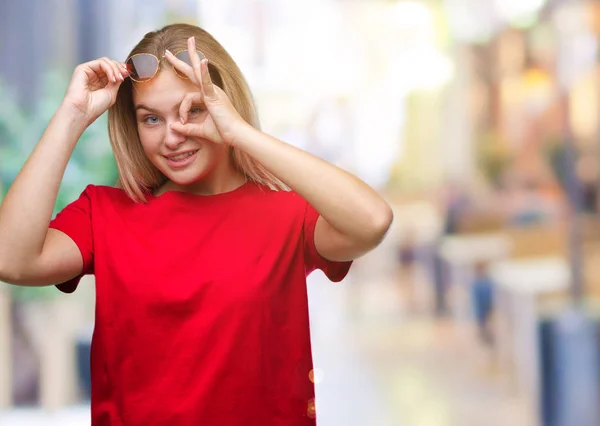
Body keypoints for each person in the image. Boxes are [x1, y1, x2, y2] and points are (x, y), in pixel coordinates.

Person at [0, 23, 393, 425]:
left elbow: (372, 221)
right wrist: (72, 116)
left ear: (223, 103)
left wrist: (239, 132)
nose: (173, 136)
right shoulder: (105, 213)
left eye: (194, 110)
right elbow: (12, 260)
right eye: (150, 119)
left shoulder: (288, 215)